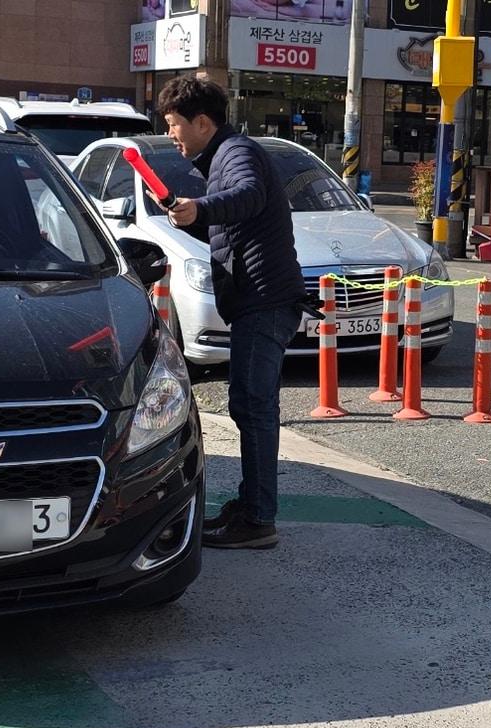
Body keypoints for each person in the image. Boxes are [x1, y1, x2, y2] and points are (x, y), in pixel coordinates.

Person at [153, 76, 307, 550]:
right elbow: (234, 230)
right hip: (255, 301)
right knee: (247, 404)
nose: (171, 134)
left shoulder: (236, 153)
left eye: (175, 125)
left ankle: (259, 520)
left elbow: (249, 196)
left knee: (255, 408)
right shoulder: (218, 157)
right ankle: (250, 507)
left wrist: (198, 209)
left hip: (266, 301)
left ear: (202, 122)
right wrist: (195, 218)